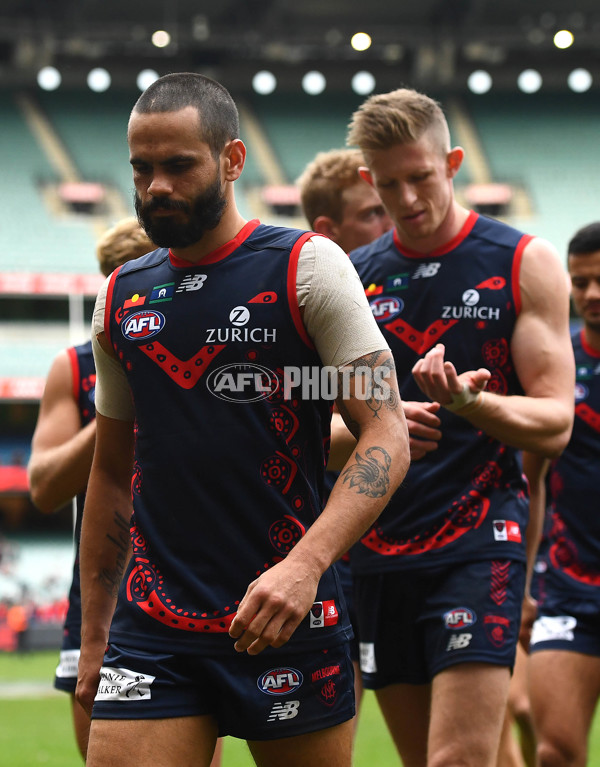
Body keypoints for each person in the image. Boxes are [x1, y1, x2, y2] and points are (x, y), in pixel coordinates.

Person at [75, 72, 410, 767]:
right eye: (142, 169)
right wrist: (96, 631)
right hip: (154, 624)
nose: (155, 186)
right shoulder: (120, 296)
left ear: (232, 161)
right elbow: (110, 473)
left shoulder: (308, 267)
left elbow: (386, 433)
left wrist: (305, 566)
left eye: (177, 166)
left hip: (287, 614)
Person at [345, 87, 574, 767]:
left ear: (452, 161)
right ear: (368, 180)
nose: (409, 197)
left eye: (421, 176)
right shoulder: (356, 278)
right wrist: (376, 426)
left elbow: (555, 422)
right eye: (390, 184)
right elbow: (325, 415)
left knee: (458, 760)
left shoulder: (522, 261)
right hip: (380, 552)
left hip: (480, 542)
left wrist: (476, 406)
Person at [297, 147, 443, 727]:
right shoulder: (304, 308)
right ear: (327, 231)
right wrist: (379, 424)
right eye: (372, 213)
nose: (391, 221)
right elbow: (292, 419)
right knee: (331, 719)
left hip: (443, 535)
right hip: (345, 540)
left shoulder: (411, 291)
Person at [27, 218, 156, 760]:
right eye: (115, 287)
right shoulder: (75, 367)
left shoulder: (203, 353)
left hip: (185, 577)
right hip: (101, 591)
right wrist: (114, 405)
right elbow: (44, 488)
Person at [527, 222, 600, 767]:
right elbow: (529, 481)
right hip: (570, 587)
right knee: (555, 751)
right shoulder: (557, 366)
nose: (592, 294)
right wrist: (525, 579)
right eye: (580, 283)